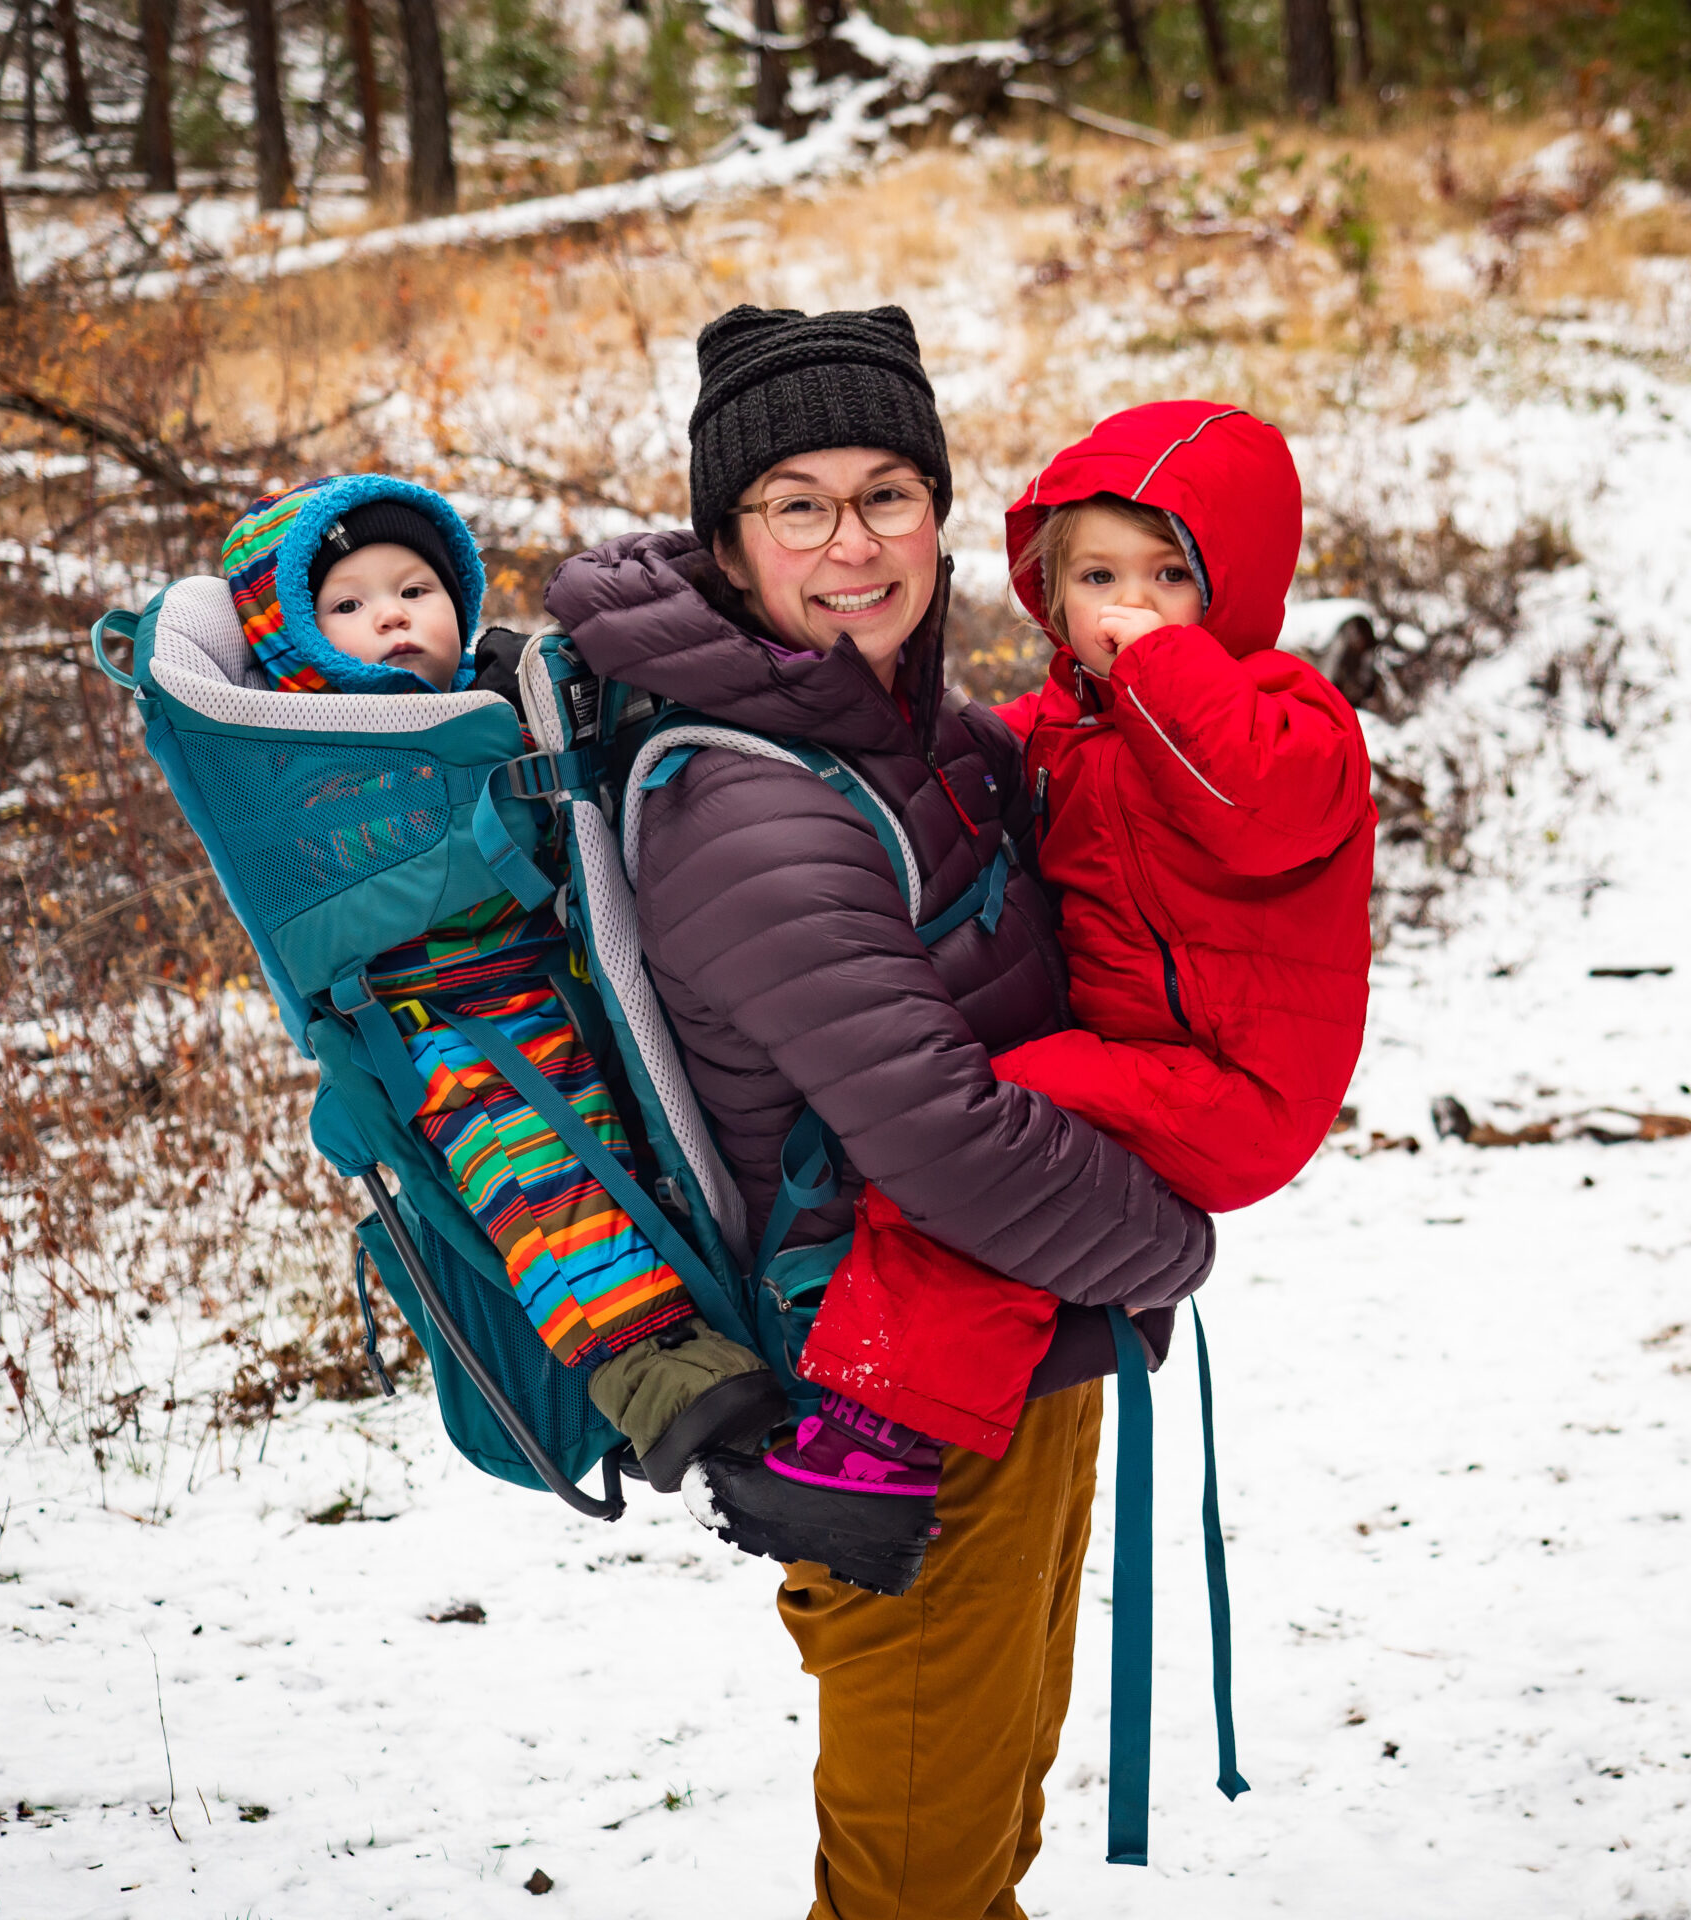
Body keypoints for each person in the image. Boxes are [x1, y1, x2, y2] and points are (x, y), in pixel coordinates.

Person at [543, 304, 1214, 1920]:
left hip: (1012, 1353)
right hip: (905, 1418)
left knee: (978, 1844)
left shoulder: (907, 740)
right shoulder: (752, 804)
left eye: (888, 492)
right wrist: (1165, 1234)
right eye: (798, 506)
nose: (854, 544)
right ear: (729, 543)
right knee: (917, 1883)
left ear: (941, 514)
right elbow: (940, 1131)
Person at [778, 401, 1376, 1483]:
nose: (1129, 612)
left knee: (987, 1128)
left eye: (1168, 579)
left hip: (1241, 1088)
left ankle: (886, 1425)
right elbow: (964, 763)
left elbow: (1248, 800)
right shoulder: (1066, 725)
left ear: (1230, 588)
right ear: (1053, 594)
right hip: (1148, 1061)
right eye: (1098, 581)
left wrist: (1158, 667)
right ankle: (991, 1357)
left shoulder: (1293, 719)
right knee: (1012, 1157)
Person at [218, 476, 788, 1470]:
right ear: (292, 646)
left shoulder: (495, 693)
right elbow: (407, 864)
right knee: (539, 1180)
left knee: (626, 1153)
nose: (390, 616)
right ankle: (648, 1377)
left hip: (550, 980)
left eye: (414, 591)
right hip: (439, 1020)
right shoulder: (315, 765)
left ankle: (707, 1327)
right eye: (346, 607)